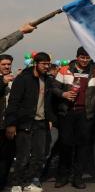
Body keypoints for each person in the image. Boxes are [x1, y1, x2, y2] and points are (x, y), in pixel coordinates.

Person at [51, 47, 95, 189]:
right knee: (65, 144)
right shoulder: (64, 69)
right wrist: (64, 94)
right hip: (67, 113)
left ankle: (78, 177)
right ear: (77, 57)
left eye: (87, 58)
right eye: (82, 57)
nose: (85, 60)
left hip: (85, 114)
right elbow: (54, 87)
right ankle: (63, 176)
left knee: (82, 146)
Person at [4, 52, 56, 192]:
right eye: (44, 64)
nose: (46, 66)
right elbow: (13, 102)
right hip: (24, 122)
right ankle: (16, 183)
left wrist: (50, 119)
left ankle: (29, 181)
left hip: (41, 122)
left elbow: (49, 102)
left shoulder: (48, 80)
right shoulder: (23, 79)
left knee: (39, 155)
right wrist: (11, 124)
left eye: (48, 64)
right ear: (35, 63)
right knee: (23, 156)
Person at [0, 54, 16, 190]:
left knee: (7, 156)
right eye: (3, 64)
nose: (7, 66)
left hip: (9, 124)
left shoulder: (14, 80)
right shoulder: (3, 80)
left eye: (8, 64)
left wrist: (12, 124)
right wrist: (2, 82)